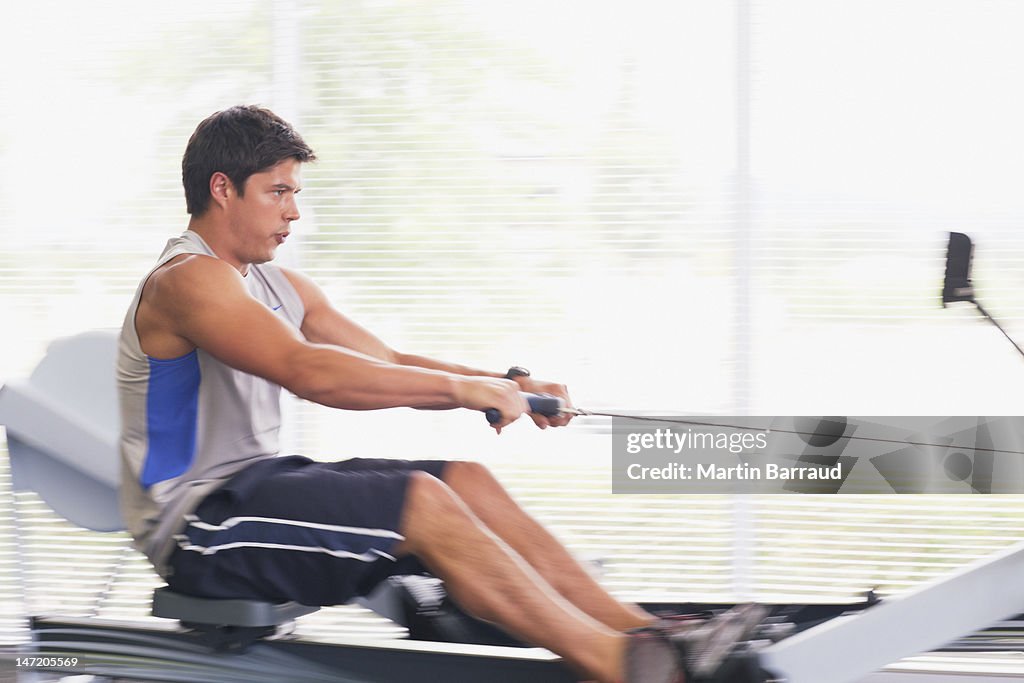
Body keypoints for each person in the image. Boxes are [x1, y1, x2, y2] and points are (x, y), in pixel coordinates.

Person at [117, 105, 762, 683]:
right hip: (201, 527)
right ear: (222, 189)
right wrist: (462, 390)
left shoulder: (275, 284)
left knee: (468, 481)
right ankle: (619, 667)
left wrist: (504, 385)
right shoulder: (187, 280)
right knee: (422, 501)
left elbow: (386, 360)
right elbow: (309, 371)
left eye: (295, 192)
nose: (292, 211)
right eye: (278, 192)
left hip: (259, 486)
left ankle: (646, 635)